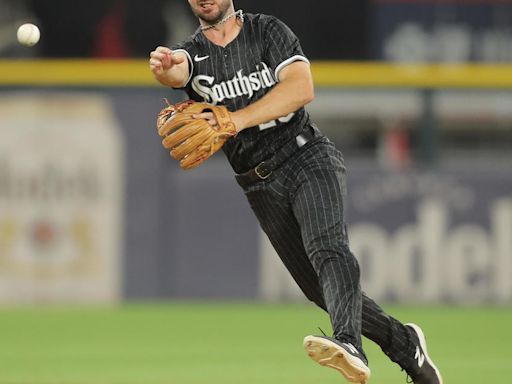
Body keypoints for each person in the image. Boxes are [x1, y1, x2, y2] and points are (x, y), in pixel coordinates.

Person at [149, 1, 443, 383]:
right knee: (319, 290)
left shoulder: (267, 31)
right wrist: (166, 71)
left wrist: (234, 120)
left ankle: (350, 344)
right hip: (257, 182)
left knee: (328, 247)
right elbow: (179, 70)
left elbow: (301, 88)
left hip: (306, 156)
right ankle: (405, 344)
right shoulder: (192, 53)